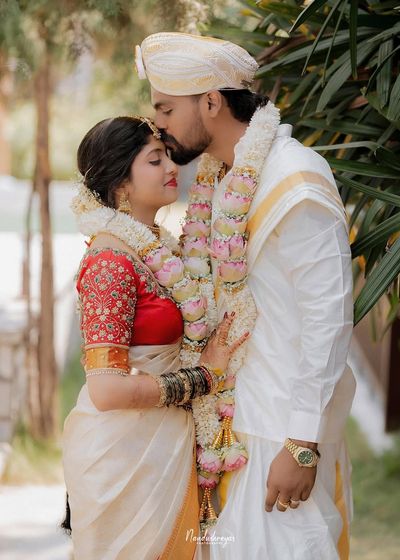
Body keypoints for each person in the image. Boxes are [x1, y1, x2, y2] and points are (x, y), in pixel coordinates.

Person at [135, 33, 356, 559]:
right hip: (227, 420)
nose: (158, 126)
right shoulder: (222, 176)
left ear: (211, 102)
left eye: (165, 109)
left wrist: (302, 444)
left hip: (278, 431)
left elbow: (328, 317)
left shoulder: (293, 176)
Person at [61, 115, 248, 560]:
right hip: (125, 453)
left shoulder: (156, 247)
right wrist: (203, 379)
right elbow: (106, 389)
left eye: (167, 156)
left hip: (166, 440)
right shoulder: (109, 261)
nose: (171, 168)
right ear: (121, 183)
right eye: (154, 159)